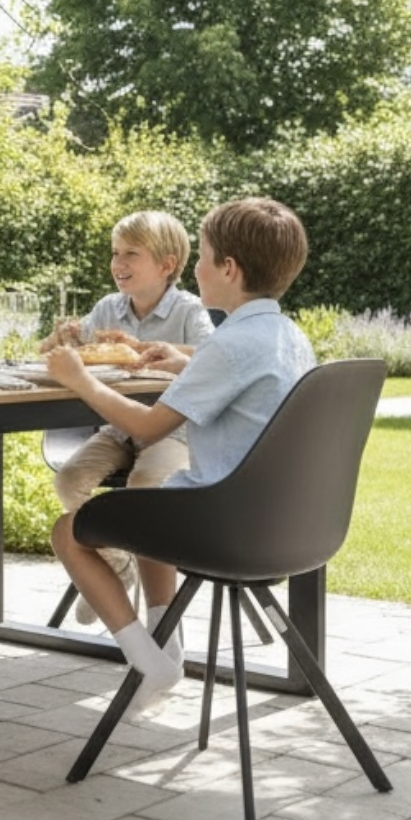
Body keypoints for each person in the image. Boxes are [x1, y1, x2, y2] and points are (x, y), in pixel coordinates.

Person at [45, 197, 315, 715]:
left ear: (229, 269)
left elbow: (148, 425)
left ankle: (152, 659)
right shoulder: (286, 335)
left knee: (71, 530)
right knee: (150, 502)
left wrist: (80, 380)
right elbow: (229, 382)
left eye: (203, 257)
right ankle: (164, 640)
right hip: (282, 524)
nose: (196, 267)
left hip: (219, 525)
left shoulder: (228, 344)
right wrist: (179, 367)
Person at [45, 211, 215, 624]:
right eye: (115, 253)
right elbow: (68, 350)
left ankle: (151, 610)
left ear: (166, 265)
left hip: (172, 431)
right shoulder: (108, 309)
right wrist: (61, 337)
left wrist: (146, 346)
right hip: (120, 426)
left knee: (146, 484)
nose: (118, 263)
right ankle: (117, 566)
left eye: (131, 254)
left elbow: (214, 355)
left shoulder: (189, 310)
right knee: (69, 479)